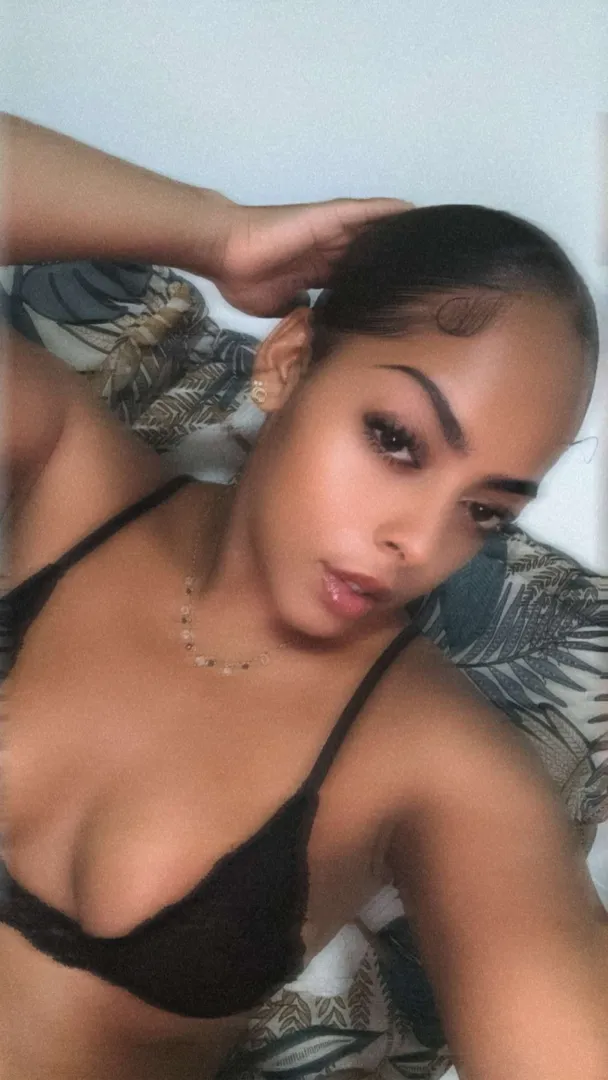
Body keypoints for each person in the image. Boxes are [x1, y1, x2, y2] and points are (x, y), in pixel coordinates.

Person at [0, 115, 606, 1080]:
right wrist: (217, 233)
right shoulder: (64, 473)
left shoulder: (442, 767)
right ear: (288, 361)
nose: (419, 543)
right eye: (397, 440)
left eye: (485, 511)